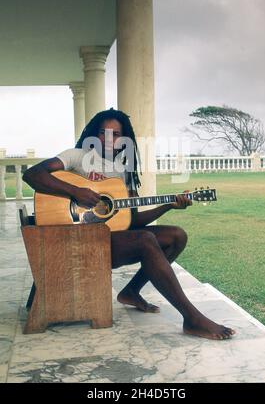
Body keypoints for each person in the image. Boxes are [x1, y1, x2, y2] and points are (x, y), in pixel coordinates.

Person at [23, 108, 236, 340]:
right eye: (103, 132)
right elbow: (33, 175)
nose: (108, 138)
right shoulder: (76, 156)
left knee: (176, 236)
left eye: (116, 134)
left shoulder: (122, 171)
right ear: (94, 134)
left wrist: (168, 205)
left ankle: (131, 291)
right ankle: (192, 318)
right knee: (145, 240)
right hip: (75, 240)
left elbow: (131, 220)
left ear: (123, 140)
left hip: (105, 239)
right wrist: (76, 191)